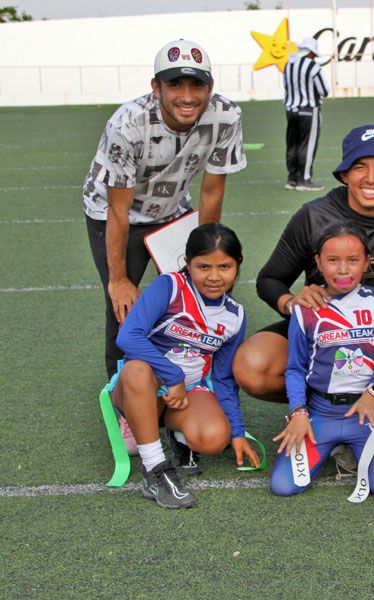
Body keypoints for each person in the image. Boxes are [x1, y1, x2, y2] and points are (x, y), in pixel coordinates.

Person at [233, 124, 374, 403]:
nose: (370, 178)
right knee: (252, 366)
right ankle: (330, 402)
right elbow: (270, 280)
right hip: (328, 326)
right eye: (359, 167)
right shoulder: (314, 216)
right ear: (344, 174)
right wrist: (292, 303)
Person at [83, 38, 246, 383]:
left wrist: (208, 253)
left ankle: (192, 382)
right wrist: (118, 279)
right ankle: (123, 396)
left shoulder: (226, 116)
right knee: (124, 308)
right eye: (175, 84)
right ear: (156, 87)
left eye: (196, 84)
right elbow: (118, 209)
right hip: (113, 212)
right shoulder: (126, 124)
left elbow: (212, 188)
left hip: (172, 208)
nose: (187, 96)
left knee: (197, 292)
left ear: (210, 87)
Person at [109, 223, 260, 509]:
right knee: (138, 370)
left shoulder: (235, 316)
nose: (214, 277)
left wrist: (237, 432)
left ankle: (176, 433)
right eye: (203, 266)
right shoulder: (170, 287)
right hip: (142, 385)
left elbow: (224, 378)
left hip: (189, 391)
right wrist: (172, 374)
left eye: (224, 267)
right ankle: (155, 470)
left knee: (214, 439)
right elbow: (128, 336)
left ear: (237, 265)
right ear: (187, 264)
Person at [270, 223, 374, 498]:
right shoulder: (304, 308)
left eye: (353, 260)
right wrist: (298, 412)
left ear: (366, 262)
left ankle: (356, 446)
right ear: (318, 262)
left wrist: (372, 394)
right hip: (321, 412)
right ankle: (335, 446)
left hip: (366, 412)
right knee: (283, 486)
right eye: (333, 260)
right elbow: (294, 369)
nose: (343, 270)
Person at [283, 36, 329, 192]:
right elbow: (324, 90)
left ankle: (292, 179)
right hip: (309, 110)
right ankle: (305, 179)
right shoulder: (313, 67)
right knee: (307, 145)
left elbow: (286, 87)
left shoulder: (288, 65)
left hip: (291, 110)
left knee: (292, 145)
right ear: (310, 52)